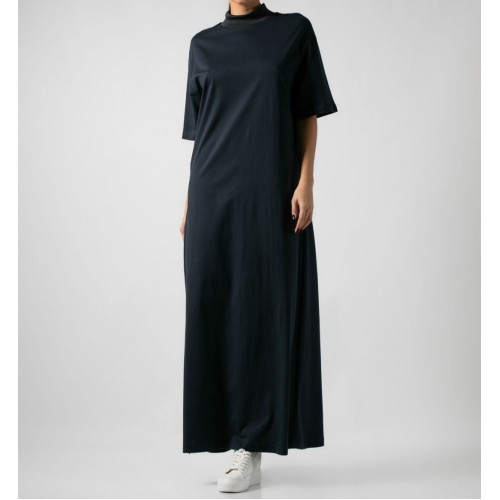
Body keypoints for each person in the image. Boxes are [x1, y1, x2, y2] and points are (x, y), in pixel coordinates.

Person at [180, 0, 338, 493]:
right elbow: (203, 133)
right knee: (212, 310)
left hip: (270, 190)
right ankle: (231, 438)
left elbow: (307, 111)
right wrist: (189, 200)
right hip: (211, 195)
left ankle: (251, 442)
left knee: (263, 309)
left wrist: (306, 181)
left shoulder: (293, 32)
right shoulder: (202, 45)